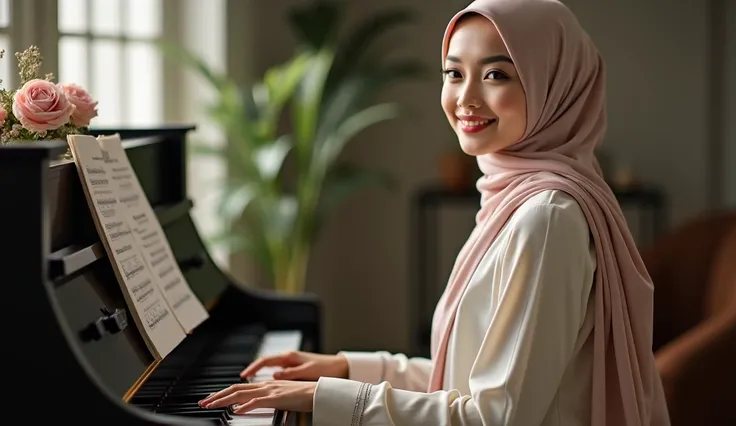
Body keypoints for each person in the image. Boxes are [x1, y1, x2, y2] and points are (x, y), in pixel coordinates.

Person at [199, 0, 672, 424]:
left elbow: (495, 417)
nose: (465, 98)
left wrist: (330, 399)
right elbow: (472, 379)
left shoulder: (547, 217)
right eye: (453, 73)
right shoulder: (513, 199)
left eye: (496, 74)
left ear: (556, 84)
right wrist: (348, 367)